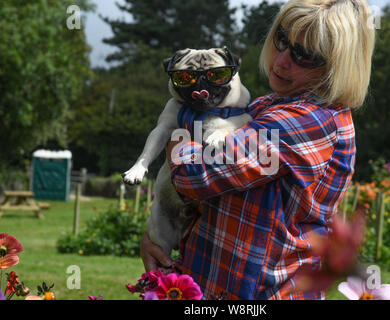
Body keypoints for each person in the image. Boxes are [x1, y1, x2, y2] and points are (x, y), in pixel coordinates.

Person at [140, 0, 375, 300]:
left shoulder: (308, 121)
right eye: (282, 40)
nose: (281, 61)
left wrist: (176, 133)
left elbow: (193, 175)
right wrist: (156, 237)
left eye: (304, 55)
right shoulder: (267, 105)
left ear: (339, 65)